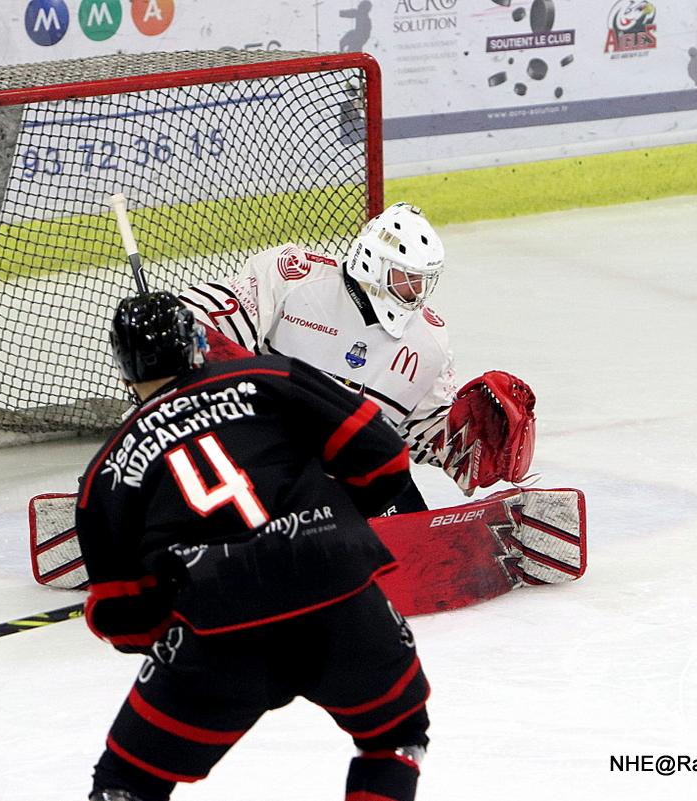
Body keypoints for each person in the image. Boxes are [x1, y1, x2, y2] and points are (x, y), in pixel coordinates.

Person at [77, 291, 432, 801]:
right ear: (198, 345)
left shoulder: (107, 471)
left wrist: (172, 601)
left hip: (223, 631)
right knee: (394, 738)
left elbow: (125, 621)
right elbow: (387, 462)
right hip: (339, 596)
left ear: (123, 370)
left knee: (126, 782)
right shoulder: (271, 376)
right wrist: (333, 516)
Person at [179, 202, 537, 514]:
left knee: (400, 505)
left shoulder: (429, 343)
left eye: (424, 281)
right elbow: (200, 319)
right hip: (265, 452)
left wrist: (466, 444)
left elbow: (422, 431)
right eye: (407, 278)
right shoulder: (294, 277)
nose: (417, 292)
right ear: (372, 264)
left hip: (349, 464)